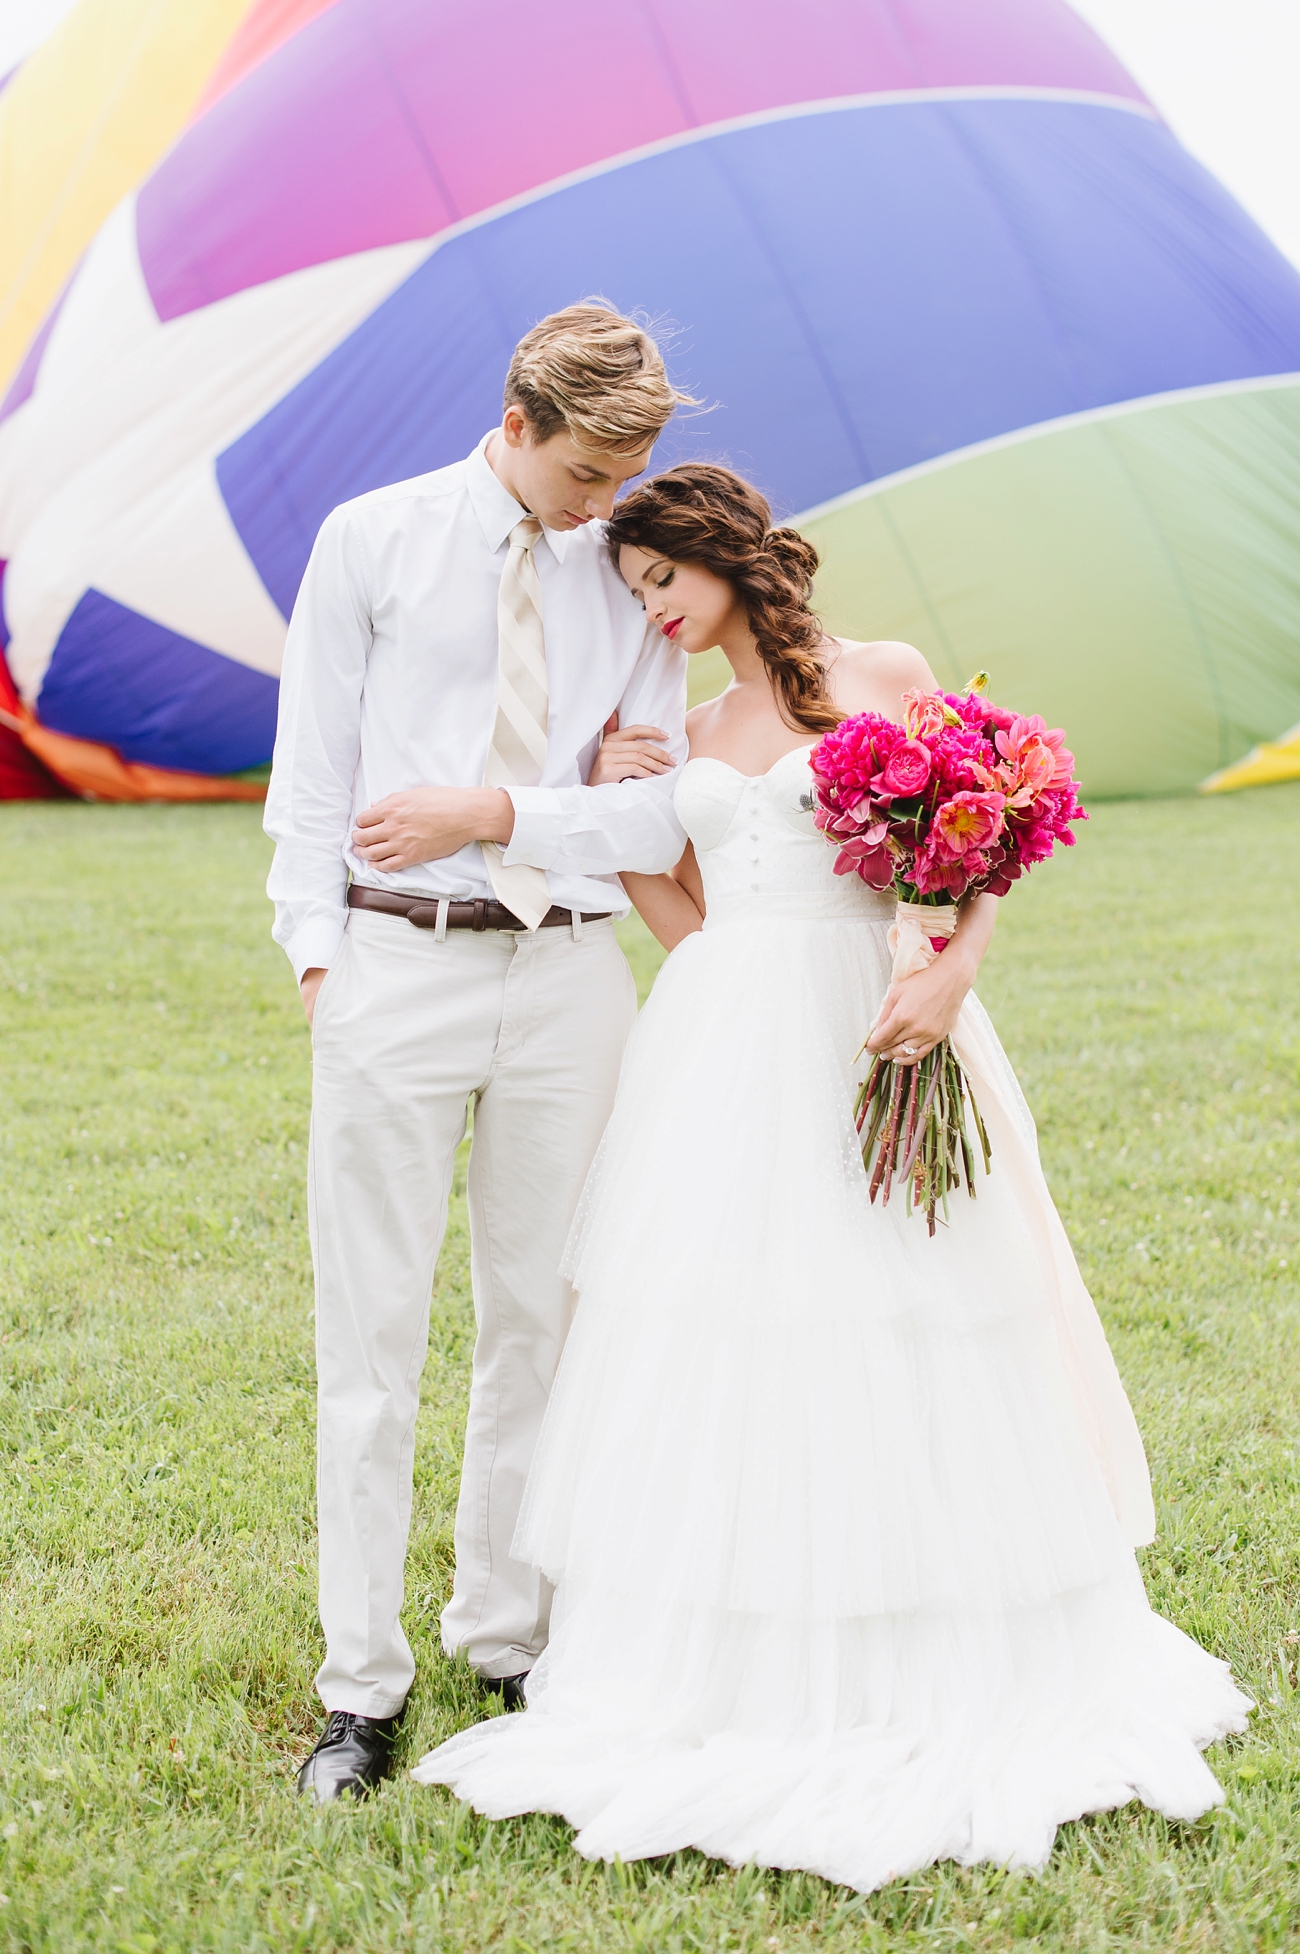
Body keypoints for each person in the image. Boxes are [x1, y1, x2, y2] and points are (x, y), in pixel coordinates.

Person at [413, 464, 1250, 1890]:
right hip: (728, 1044)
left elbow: (983, 835)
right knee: (736, 1329)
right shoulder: (675, 731)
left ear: (726, 553)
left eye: (662, 579)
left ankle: (935, 1630)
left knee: (911, 1311)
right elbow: (689, 919)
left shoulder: (888, 674)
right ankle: (739, 1652)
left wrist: (951, 972)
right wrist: (636, 820)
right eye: (633, 596)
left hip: (886, 1009)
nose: (655, 611)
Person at [264, 302, 697, 1803]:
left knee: (546, 1324)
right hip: (392, 961)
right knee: (370, 1338)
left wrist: (530, 804)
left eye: (622, 478)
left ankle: (509, 1638)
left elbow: (657, 816)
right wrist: (321, 957)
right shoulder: (368, 540)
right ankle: (359, 1688)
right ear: (517, 422)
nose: (601, 508)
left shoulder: (639, 579)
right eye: (584, 475)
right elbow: (312, 771)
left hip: (572, 972)